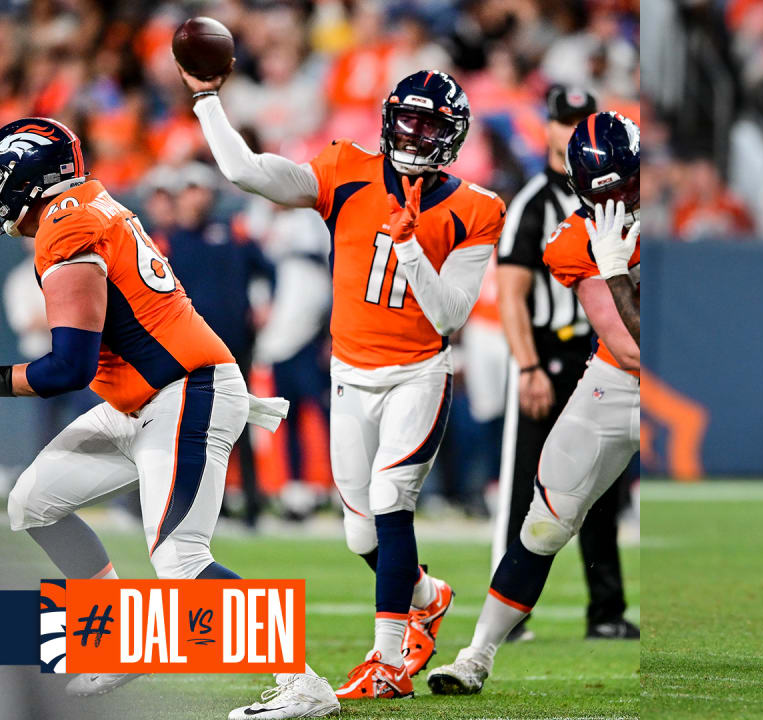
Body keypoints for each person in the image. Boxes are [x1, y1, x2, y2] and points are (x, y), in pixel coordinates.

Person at [183, 62, 503, 704]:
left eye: (428, 125)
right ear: (388, 120)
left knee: (390, 501)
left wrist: (411, 248)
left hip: (418, 372)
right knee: (360, 533)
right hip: (350, 373)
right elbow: (247, 171)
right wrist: (206, 100)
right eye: (406, 120)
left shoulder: (476, 209)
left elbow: (449, 315)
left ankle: (389, 660)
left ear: (452, 135)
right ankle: (425, 596)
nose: (413, 135)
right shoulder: (345, 168)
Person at [0, 117, 327, 712]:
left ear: (28, 175)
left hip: (183, 392)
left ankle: (303, 683)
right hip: (143, 398)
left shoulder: (67, 225)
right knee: (32, 504)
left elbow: (66, 370)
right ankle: (119, 643)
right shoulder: (85, 206)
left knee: (180, 559)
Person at [427, 111, 640, 695]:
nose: (619, 201)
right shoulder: (576, 238)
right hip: (618, 382)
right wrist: (616, 272)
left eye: (626, 185)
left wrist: (620, 270)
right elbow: (630, 344)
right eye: (605, 192)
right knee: (545, 524)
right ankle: (476, 656)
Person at [493, 85, 636, 643]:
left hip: (602, 351)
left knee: (601, 489)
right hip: (549, 354)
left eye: (581, 118)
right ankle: (513, 613)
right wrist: (527, 366)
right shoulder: (533, 203)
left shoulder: (628, 195)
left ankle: (605, 610)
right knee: (531, 484)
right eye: (563, 119)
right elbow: (511, 294)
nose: (569, 127)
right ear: (548, 128)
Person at [162, 162, 274, 527]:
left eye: (200, 189)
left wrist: (264, 304)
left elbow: (268, 271)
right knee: (191, 429)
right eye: (189, 190)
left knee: (238, 423)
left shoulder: (233, 232)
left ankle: (252, 508)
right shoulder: (165, 241)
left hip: (233, 346)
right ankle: (206, 507)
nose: (195, 198)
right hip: (186, 349)